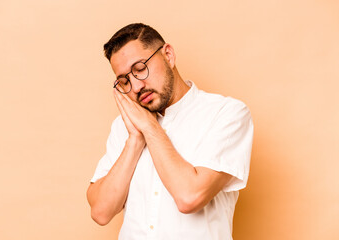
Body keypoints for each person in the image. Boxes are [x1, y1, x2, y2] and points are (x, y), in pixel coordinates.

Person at [86, 23, 254, 240]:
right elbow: (100, 212)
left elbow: (190, 196)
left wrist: (149, 127)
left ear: (168, 55)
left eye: (140, 69)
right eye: (124, 81)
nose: (136, 87)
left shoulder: (226, 113)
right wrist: (135, 140)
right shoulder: (124, 127)